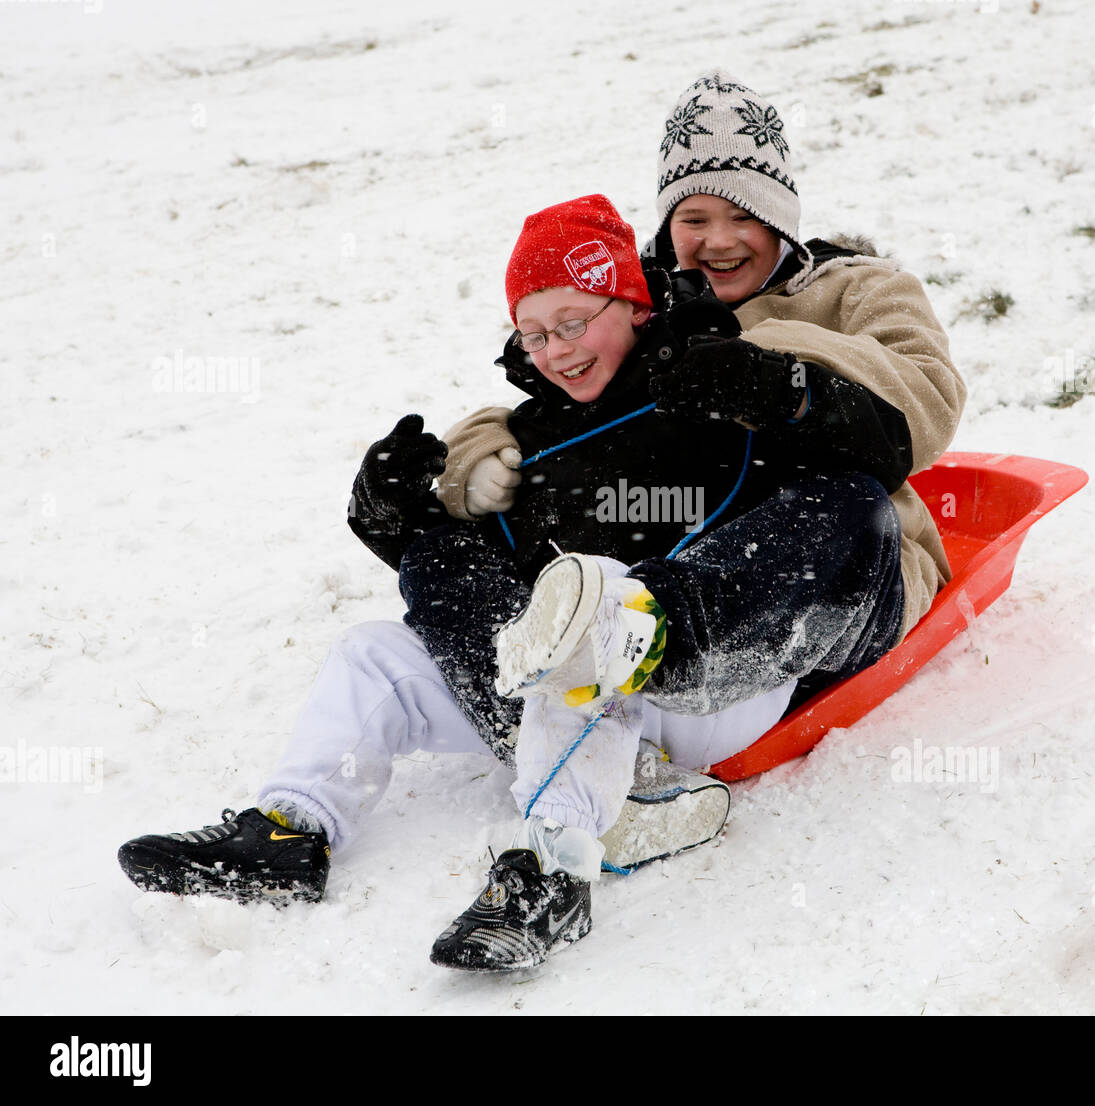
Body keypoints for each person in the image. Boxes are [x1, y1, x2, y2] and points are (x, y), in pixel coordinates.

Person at [116, 194, 905, 973]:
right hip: (575, 699)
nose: (557, 350)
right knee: (379, 651)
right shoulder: (529, 446)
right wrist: (392, 518)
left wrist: (784, 397)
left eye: (574, 321)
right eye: (535, 333)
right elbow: (480, 597)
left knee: (607, 601)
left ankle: (551, 870)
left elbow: (859, 479)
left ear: (632, 303)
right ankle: (290, 832)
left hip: (713, 674)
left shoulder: (712, 372)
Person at [438, 70, 966, 713]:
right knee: (455, 552)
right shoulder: (642, 305)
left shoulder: (858, 288)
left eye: (744, 215)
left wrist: (768, 363)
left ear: (781, 218)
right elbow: (561, 387)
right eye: (694, 217)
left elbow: (930, 402)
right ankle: (556, 681)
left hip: (833, 583)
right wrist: (477, 445)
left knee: (843, 503)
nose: (718, 240)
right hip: (672, 553)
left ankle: (649, 642)